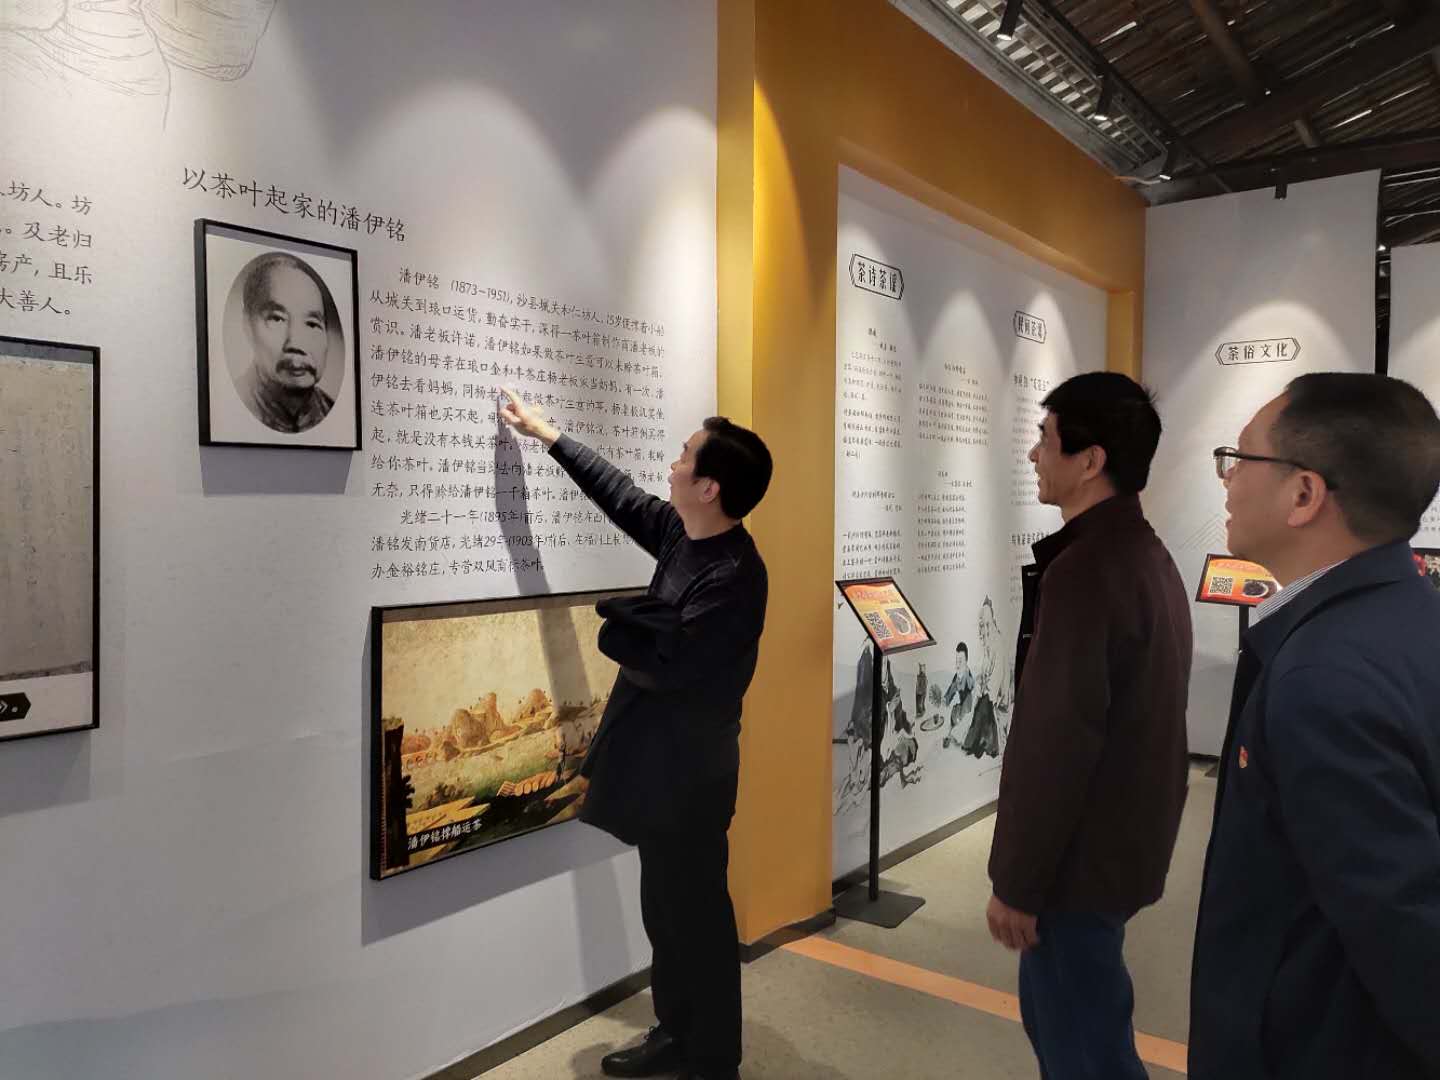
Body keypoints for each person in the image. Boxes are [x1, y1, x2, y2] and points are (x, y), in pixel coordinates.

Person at [499, 387, 772, 1080]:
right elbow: (619, 496)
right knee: (666, 911)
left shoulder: (735, 575)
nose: (672, 465)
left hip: (693, 776)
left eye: (684, 456)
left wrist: (618, 625)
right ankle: (676, 1032)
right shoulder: (686, 536)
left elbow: (664, 663)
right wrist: (548, 435)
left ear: (708, 487)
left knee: (697, 917)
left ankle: (712, 1059)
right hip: (660, 767)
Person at [1190, 374, 1440, 1080]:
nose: (1228, 480)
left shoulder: (1324, 678)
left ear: (1304, 494)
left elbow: (1408, 934)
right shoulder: (1409, 615)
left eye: (1240, 458)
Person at [986, 371, 1192, 1080]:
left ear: (1090, 459)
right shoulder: (1144, 554)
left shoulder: (1086, 571)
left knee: (1081, 1046)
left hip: (1078, 864)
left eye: (1046, 439)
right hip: (1117, 846)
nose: (1033, 454)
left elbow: (1057, 742)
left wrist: (1017, 882)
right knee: (1084, 1029)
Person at [234, 252, 336, 434]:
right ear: (247, 326)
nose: (295, 343)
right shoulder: (231, 404)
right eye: (277, 319)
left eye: (312, 324)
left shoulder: (330, 411)